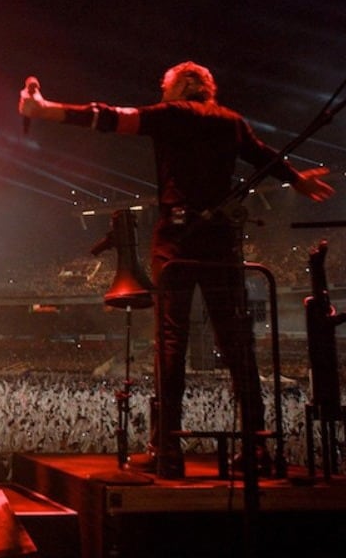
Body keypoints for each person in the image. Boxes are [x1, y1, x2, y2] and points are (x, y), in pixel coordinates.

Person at [18, 61, 335, 478]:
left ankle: (169, 449)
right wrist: (297, 180)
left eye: (164, 86)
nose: (161, 92)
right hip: (221, 240)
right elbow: (264, 156)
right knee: (237, 342)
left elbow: (111, 118)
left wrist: (44, 110)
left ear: (182, 85)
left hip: (177, 239)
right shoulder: (232, 122)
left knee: (172, 341)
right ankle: (256, 446)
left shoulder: (172, 115)